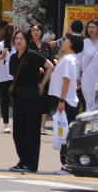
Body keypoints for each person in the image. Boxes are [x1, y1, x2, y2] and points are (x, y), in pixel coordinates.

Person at [8, 30, 53, 173]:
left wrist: (43, 84)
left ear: (27, 41)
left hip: (32, 94)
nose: (18, 41)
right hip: (17, 95)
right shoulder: (13, 58)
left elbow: (50, 67)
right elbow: (14, 75)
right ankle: (23, 161)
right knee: (18, 131)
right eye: (16, 38)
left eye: (21, 38)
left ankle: (32, 163)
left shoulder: (32, 55)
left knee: (31, 131)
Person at [47, 32, 83, 175]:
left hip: (66, 100)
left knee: (65, 134)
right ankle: (67, 165)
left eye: (66, 40)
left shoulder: (69, 59)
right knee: (65, 133)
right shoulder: (70, 58)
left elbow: (66, 80)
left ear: (72, 43)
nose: (62, 41)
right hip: (67, 99)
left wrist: (61, 100)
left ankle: (67, 165)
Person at [29, 24, 57, 135]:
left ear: (42, 32)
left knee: (45, 102)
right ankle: (32, 126)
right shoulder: (29, 45)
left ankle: (42, 127)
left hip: (45, 78)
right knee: (33, 102)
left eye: (38, 30)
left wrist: (54, 60)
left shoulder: (46, 45)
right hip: (32, 78)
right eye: (33, 30)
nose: (35, 32)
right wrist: (37, 67)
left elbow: (50, 58)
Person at [0, 23, 17, 134]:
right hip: (3, 76)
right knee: (5, 100)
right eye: (16, 30)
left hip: (16, 77)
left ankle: (17, 123)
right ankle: (6, 123)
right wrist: (1, 56)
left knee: (17, 101)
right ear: (10, 32)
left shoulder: (19, 45)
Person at [78, 19, 98, 113]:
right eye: (89, 27)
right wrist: (77, 77)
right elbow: (78, 61)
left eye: (93, 27)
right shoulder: (84, 43)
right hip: (88, 78)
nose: (91, 29)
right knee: (90, 105)